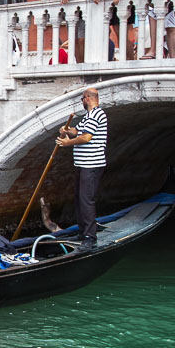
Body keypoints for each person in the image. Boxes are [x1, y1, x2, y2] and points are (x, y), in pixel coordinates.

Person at [56, 88, 108, 250]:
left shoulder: (98, 114)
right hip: (81, 164)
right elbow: (78, 131)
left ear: (87, 98)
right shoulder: (88, 116)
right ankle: (82, 231)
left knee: (86, 200)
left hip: (92, 165)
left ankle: (90, 236)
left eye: (82, 99)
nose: (81, 102)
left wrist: (67, 143)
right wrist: (67, 131)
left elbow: (86, 137)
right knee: (79, 198)